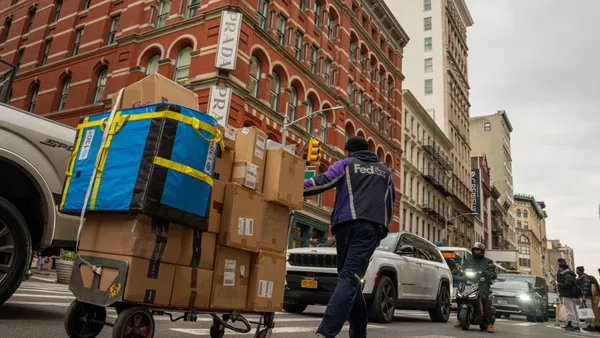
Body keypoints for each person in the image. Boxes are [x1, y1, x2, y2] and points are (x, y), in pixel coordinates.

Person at [303, 136, 395, 338]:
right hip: (369, 229)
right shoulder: (385, 172)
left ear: (349, 151)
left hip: (345, 226)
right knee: (351, 279)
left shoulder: (346, 164)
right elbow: (389, 205)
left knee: (348, 278)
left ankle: (325, 333)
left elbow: (324, 180)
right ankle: (358, 332)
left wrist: (294, 186)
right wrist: (382, 232)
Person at [453, 242, 497, 333]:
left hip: (482, 283)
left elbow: (493, 273)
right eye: (475, 250)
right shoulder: (468, 260)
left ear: (482, 251)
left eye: (478, 250)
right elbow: (462, 268)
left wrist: (488, 273)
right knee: (459, 296)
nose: (476, 252)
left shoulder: (488, 261)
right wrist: (457, 270)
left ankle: (490, 324)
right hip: (469, 282)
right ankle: (459, 319)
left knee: (484, 297)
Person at [557, 258, 581, 331]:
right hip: (571, 294)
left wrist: (559, 284)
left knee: (570, 310)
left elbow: (568, 284)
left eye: (559, 267)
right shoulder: (569, 274)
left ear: (562, 268)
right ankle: (576, 324)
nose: (559, 269)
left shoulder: (567, 275)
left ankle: (574, 325)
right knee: (573, 309)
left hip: (568, 294)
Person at [576, 266, 599, 331]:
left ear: (579, 270)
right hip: (584, 296)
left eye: (577, 270)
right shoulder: (581, 277)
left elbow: (585, 287)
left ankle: (590, 325)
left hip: (586, 297)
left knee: (588, 310)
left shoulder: (584, 277)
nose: (576, 271)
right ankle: (588, 324)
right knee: (585, 311)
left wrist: (584, 296)